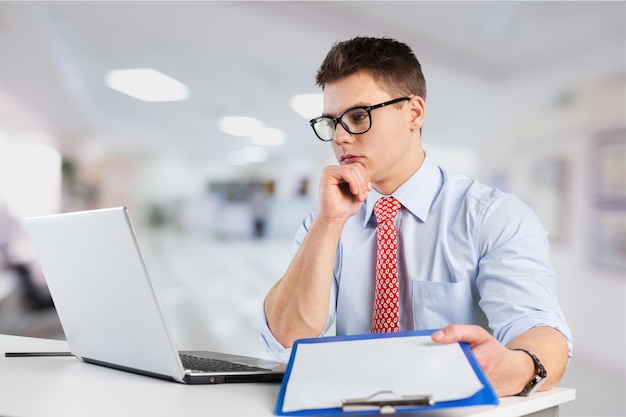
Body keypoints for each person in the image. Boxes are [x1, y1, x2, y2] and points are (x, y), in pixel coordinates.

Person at [260, 36, 571, 397]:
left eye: (358, 117)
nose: (341, 138)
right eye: (332, 122)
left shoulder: (492, 216)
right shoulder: (324, 222)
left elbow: (540, 329)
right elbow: (285, 341)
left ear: (414, 112)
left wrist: (514, 367)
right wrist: (328, 225)